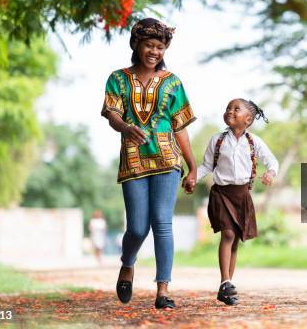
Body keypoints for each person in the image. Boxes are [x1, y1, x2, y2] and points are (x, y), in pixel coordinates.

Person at [101, 17, 197, 309]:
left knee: (162, 224)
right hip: (133, 159)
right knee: (137, 229)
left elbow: (180, 126)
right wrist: (125, 128)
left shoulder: (172, 82)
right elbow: (111, 114)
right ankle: (128, 263)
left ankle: (163, 290)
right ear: (136, 45)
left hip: (167, 159)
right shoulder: (118, 78)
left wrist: (192, 167)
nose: (154, 51)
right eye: (148, 45)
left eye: (160, 46)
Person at [196, 99, 279, 305]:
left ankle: (227, 287)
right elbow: (206, 166)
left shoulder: (254, 141)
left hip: (242, 195)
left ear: (248, 119)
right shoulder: (217, 140)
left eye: (236, 109)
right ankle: (225, 281)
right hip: (221, 193)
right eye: (227, 108)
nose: (229, 111)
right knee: (228, 233)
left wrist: (270, 172)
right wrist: (191, 178)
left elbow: (272, 160)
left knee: (234, 242)